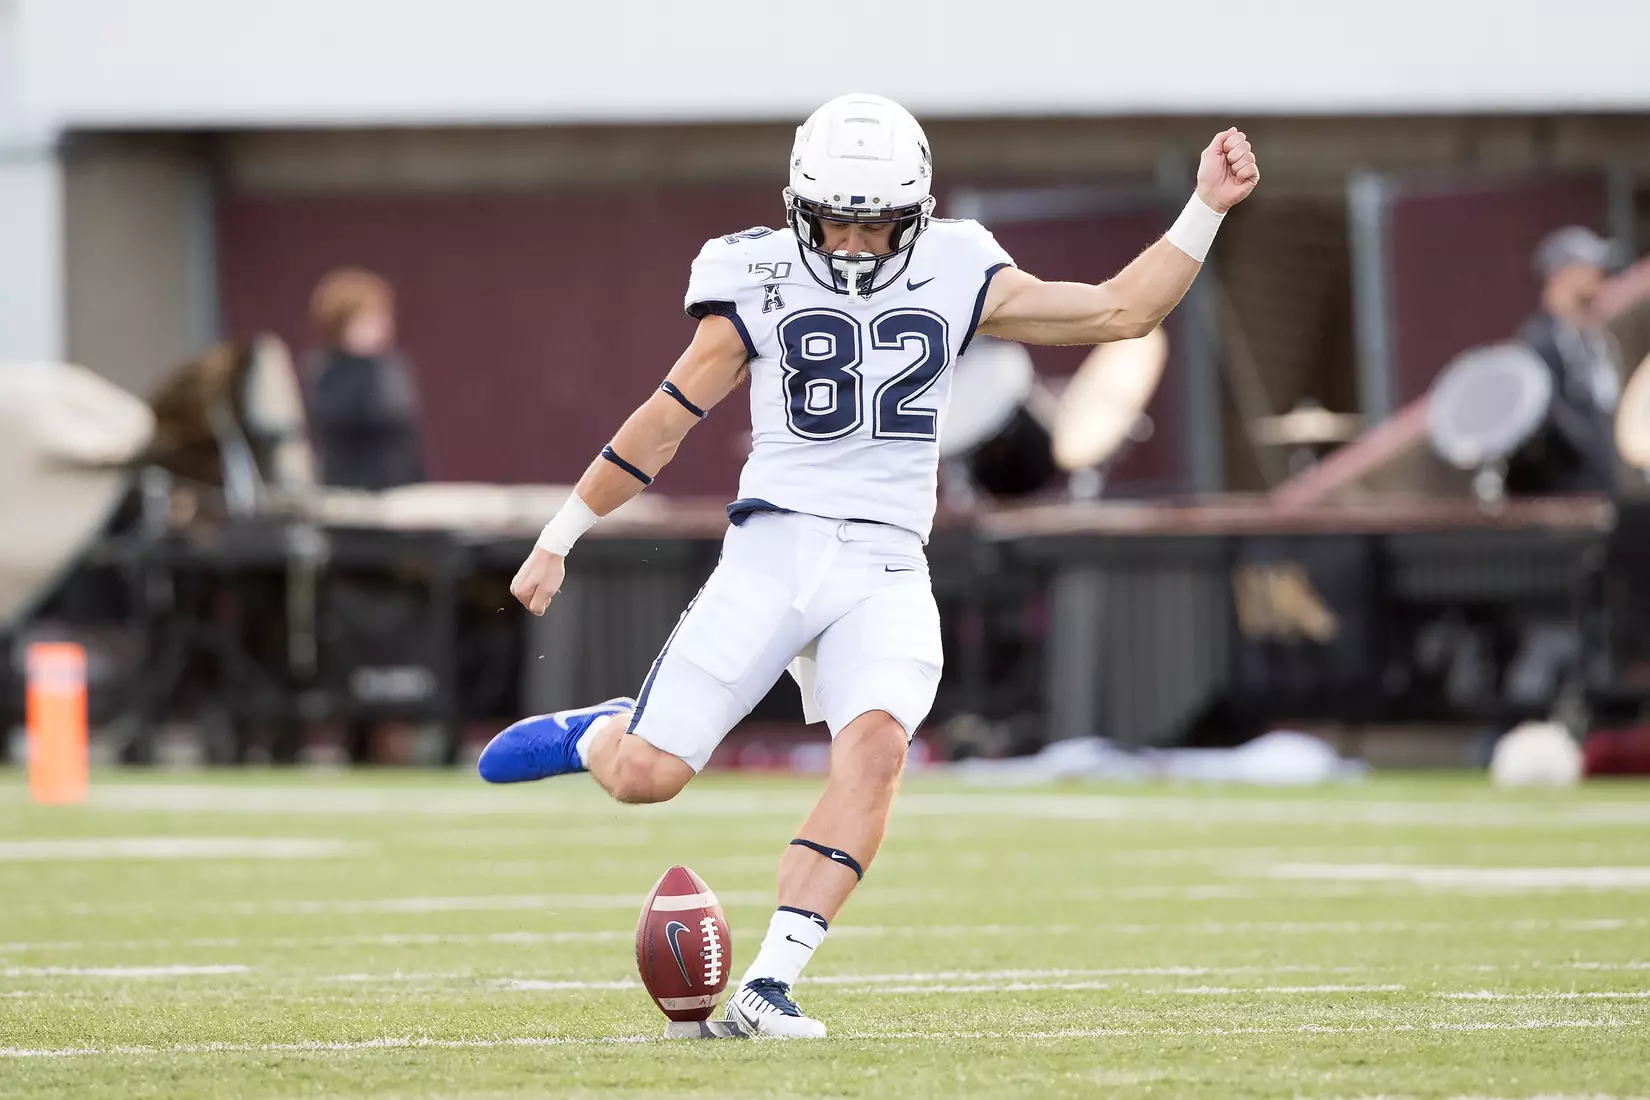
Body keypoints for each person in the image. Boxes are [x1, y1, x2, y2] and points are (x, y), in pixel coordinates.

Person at [478, 93, 1259, 1037]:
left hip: (887, 555)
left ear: (917, 212)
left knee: (878, 747)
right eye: (834, 219)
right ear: (798, 203)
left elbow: (1120, 310)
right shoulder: (752, 269)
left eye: (875, 222)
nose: (851, 243)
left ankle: (771, 983)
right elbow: (667, 415)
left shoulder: (960, 262)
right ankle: (598, 733)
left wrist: (1205, 207)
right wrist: (561, 533)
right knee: (649, 776)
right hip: (777, 544)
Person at [1513, 226, 1626, 494]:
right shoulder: (1538, 344)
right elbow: (1555, 426)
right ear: (1560, 274)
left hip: (1602, 493)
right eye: (1588, 267)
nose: (1599, 275)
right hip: (1567, 504)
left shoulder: (1595, 339)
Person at [304, 267, 428, 491]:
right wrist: (359, 364)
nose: (382, 326)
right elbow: (342, 419)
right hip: (349, 487)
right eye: (369, 318)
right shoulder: (327, 369)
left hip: (399, 486)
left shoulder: (391, 366)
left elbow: (405, 432)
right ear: (342, 322)